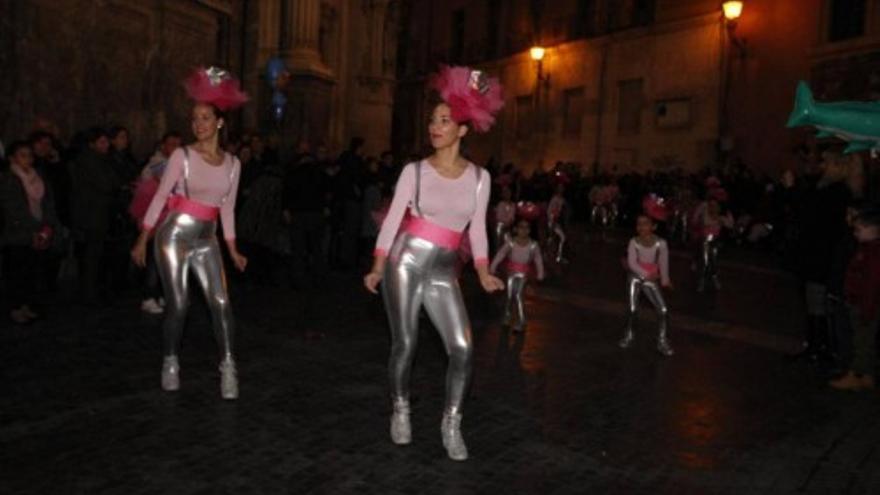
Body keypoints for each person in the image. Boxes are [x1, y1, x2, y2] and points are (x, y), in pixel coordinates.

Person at [363, 65, 504, 461]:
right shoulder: (415, 171)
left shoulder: (480, 178)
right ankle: (401, 409)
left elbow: (477, 229)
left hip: (444, 272)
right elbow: (391, 222)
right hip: (404, 262)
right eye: (432, 120)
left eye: (445, 120)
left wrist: (482, 271)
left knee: (463, 348)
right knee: (405, 343)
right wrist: (377, 266)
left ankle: (452, 423)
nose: (435, 126)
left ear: (463, 129)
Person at [131, 67, 248, 400]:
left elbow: (227, 209)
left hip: (207, 239)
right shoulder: (181, 156)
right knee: (179, 304)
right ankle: (170, 360)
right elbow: (159, 198)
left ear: (219, 122)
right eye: (194, 118)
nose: (198, 124)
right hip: (175, 235)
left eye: (205, 118)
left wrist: (233, 248)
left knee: (222, 302)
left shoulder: (233, 164)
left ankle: (228, 366)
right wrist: (143, 238)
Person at [0, 141, 60, 323]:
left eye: (29, 155)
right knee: (17, 272)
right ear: (13, 158)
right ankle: (15, 307)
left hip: (39, 230)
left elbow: (47, 201)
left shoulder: (37, 176)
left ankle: (27, 304)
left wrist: (47, 226)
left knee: (32, 272)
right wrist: (32, 229)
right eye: (22, 155)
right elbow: (13, 209)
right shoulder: (8, 179)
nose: (27, 159)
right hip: (18, 234)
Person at [829, 206, 880, 391]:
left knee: (861, 341)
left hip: (863, 305)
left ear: (873, 230)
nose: (855, 234)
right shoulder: (866, 249)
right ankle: (867, 375)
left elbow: (872, 284)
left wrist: (866, 309)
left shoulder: (873, 253)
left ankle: (856, 374)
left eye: (859, 230)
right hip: (860, 302)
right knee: (864, 340)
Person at [70, 127, 122, 305]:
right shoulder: (90, 161)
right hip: (92, 215)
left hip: (98, 214)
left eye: (107, 141)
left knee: (96, 255)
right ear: (92, 144)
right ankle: (90, 294)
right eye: (102, 142)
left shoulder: (100, 160)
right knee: (92, 256)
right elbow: (108, 183)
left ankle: (94, 291)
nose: (106, 145)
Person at [619, 197, 674, 356]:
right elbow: (632, 263)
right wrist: (646, 275)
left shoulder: (661, 243)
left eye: (645, 224)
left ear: (654, 226)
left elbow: (663, 262)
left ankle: (662, 341)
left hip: (651, 279)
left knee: (663, 310)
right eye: (639, 224)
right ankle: (629, 335)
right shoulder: (633, 242)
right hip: (636, 278)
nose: (641, 227)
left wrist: (665, 280)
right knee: (632, 309)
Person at [490, 217, 544, 332]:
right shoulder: (511, 242)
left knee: (519, 296)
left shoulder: (533, 245)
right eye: (521, 227)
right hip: (511, 273)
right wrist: (493, 266)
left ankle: (522, 321)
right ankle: (507, 317)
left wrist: (540, 273)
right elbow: (501, 254)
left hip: (523, 274)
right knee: (509, 296)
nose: (524, 230)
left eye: (526, 228)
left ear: (529, 230)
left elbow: (538, 259)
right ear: (516, 229)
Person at [492, 186, 515, 253]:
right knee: (499, 231)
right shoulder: (500, 204)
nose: (507, 194)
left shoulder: (513, 205)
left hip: (509, 226)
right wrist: (504, 224)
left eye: (508, 192)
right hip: (500, 225)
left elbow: (512, 216)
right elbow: (499, 217)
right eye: (505, 193)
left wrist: (508, 223)